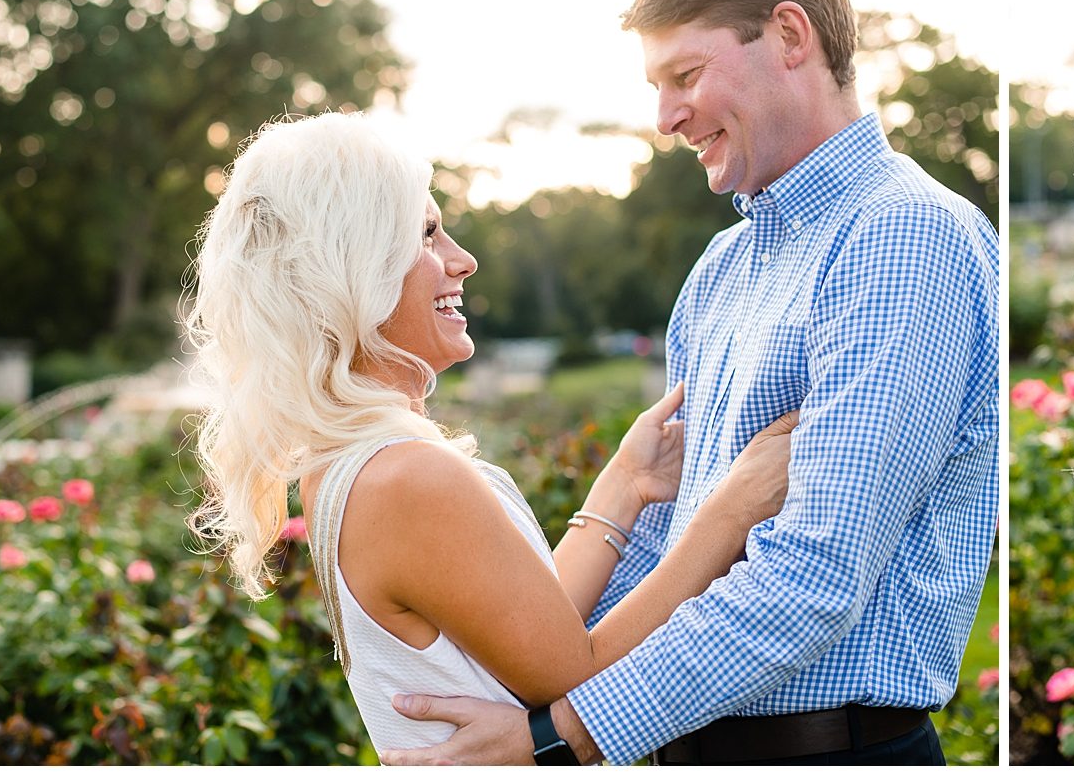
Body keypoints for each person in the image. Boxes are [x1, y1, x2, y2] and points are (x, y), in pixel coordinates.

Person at [384, 0, 998, 765]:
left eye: (685, 76)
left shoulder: (901, 237)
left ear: (790, 35)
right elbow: (666, 549)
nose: (666, 118)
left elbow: (812, 578)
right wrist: (542, 678)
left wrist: (556, 737)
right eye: (657, 87)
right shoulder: (722, 270)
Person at [184, 112, 796, 755]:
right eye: (426, 235)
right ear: (352, 269)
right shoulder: (405, 476)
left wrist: (625, 484)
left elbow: (534, 634)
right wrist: (732, 512)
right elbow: (582, 676)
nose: (463, 260)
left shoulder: (347, 461)